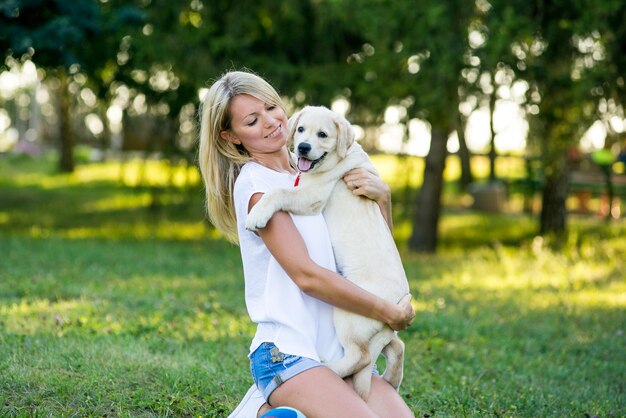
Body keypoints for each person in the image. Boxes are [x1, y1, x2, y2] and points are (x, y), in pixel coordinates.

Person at [198, 70, 416, 418]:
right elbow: (307, 276)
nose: (270, 123)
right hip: (287, 352)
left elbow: (373, 249)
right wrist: (385, 310)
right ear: (231, 137)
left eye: (271, 107)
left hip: (341, 350)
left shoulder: (317, 169)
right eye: (252, 121)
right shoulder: (259, 187)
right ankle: (265, 408)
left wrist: (383, 200)